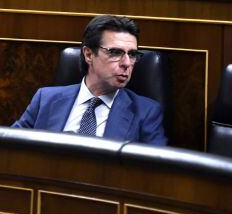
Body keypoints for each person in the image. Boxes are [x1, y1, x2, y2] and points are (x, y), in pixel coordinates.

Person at [12, 15, 167, 145]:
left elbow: (155, 173)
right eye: (115, 52)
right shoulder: (45, 99)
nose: (127, 63)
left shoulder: (146, 112)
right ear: (88, 54)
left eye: (132, 54)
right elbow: (9, 147)